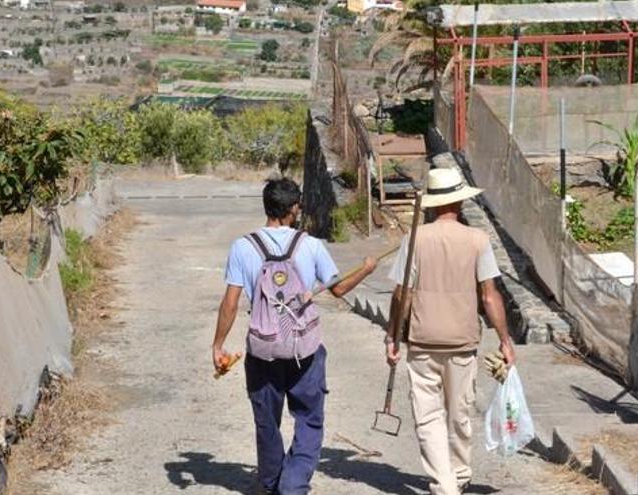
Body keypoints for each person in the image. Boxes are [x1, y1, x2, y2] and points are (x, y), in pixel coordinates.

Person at [212, 178, 377, 495]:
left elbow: (230, 303)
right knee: (309, 419)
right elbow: (338, 288)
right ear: (293, 209)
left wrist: (218, 344)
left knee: (266, 420)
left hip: (262, 350)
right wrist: (366, 269)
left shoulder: (243, 246)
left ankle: (271, 481)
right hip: (305, 349)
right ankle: (293, 483)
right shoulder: (311, 245)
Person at [385, 167, 516, 495]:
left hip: (423, 342)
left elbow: (402, 294)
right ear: (458, 202)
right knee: (459, 415)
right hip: (462, 342)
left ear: (431, 204)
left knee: (428, 419)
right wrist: (505, 339)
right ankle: (456, 477)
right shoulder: (478, 240)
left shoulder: (415, 239)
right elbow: (489, 295)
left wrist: (392, 335)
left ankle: (446, 485)